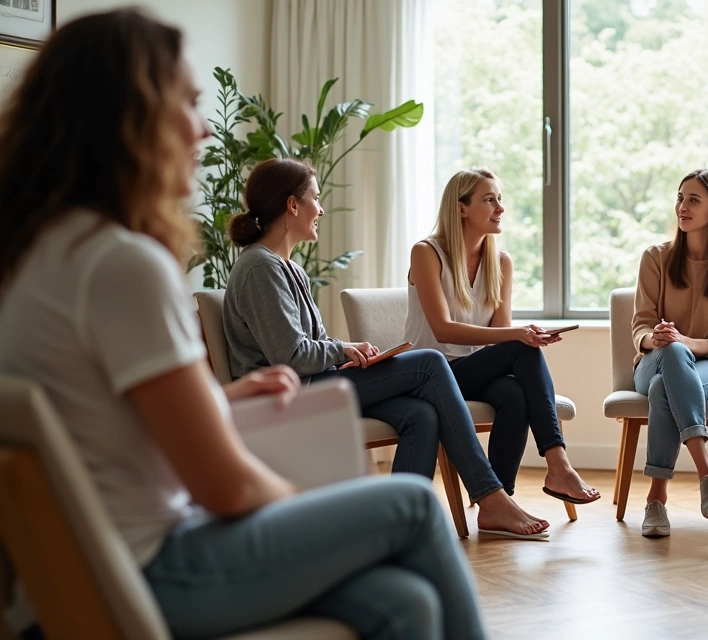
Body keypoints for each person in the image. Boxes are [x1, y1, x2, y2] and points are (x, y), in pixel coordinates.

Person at [0, 9, 487, 639]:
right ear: (128, 118)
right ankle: (488, 495)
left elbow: (101, 417)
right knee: (413, 505)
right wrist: (318, 515)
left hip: (83, 567)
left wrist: (222, 398)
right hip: (152, 566)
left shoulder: (38, 255)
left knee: (403, 603)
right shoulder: (120, 264)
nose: (203, 128)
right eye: (188, 102)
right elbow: (226, 487)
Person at [224, 158, 548, 539]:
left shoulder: (287, 267)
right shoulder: (261, 268)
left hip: (317, 382)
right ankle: (490, 496)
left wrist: (345, 351)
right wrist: (343, 349)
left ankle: (400, 527)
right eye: (315, 198)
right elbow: (291, 357)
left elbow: (304, 346)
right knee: (428, 362)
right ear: (292, 206)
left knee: (421, 414)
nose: (321, 208)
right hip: (290, 395)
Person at [403, 169, 599, 505]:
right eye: (489, 199)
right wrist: (519, 335)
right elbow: (443, 329)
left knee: (513, 393)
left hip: (471, 371)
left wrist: (521, 336)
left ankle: (497, 502)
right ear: (461, 208)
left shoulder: (501, 262)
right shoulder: (427, 252)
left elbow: (499, 334)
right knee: (521, 349)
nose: (500, 208)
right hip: (431, 374)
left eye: (500, 199)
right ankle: (559, 466)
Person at [629, 169, 708, 538]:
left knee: (661, 389)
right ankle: (706, 472)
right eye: (680, 198)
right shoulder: (655, 257)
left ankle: (656, 498)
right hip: (655, 359)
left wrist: (687, 342)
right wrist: (658, 338)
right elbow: (639, 326)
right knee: (669, 359)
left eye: (693, 200)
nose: (682, 207)